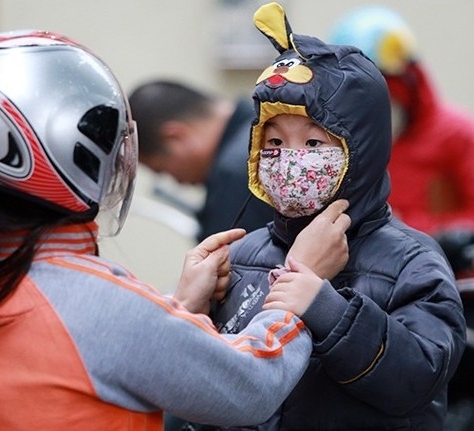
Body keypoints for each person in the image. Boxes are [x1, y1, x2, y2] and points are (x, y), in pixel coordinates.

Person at [0, 30, 352, 431]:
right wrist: (302, 279)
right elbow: (251, 385)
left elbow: (84, 365)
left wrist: (182, 307)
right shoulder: (91, 300)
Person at [168, 3, 466, 430]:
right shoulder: (243, 255)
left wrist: (330, 312)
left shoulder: (410, 261)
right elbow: (202, 391)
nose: (290, 160)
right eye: (274, 142)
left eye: (312, 144)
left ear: (360, 149)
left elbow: (418, 379)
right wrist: (187, 312)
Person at [329, 6, 474, 238]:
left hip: (446, 269)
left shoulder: (457, 134)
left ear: (409, 79)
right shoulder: (341, 143)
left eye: (385, 84)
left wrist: (435, 234)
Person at [128, 80, 274, 242]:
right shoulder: (272, 125)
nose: (177, 181)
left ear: (175, 137)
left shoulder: (235, 174)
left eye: (162, 169)